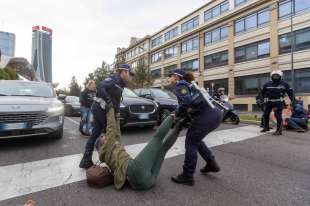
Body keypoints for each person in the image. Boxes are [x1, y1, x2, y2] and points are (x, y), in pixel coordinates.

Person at [96, 103, 185, 190]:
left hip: (145, 183)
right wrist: (110, 109)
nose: (104, 135)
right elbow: (111, 129)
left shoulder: (110, 149)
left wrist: (117, 114)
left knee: (163, 149)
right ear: (101, 144)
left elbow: (117, 133)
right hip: (134, 170)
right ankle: (176, 113)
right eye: (102, 136)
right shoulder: (106, 148)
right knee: (157, 138)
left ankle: (179, 126)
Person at [168, 69, 222, 186]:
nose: (169, 78)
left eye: (170, 76)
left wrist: (177, 114)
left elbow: (187, 103)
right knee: (196, 139)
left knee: (191, 142)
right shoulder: (191, 85)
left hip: (206, 116)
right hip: (215, 114)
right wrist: (180, 116)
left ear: (176, 77)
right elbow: (192, 105)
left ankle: (187, 175)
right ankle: (211, 163)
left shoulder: (180, 85)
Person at [79, 64, 135, 169]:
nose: (131, 76)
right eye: (130, 74)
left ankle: (86, 160)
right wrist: (108, 101)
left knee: (95, 134)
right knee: (111, 133)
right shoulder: (115, 79)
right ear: (123, 72)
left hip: (101, 110)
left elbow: (117, 101)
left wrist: (117, 113)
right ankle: (111, 159)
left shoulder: (121, 84)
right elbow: (100, 87)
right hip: (99, 108)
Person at [261, 70, 295, 136]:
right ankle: (266, 127)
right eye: (274, 75)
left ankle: (279, 130)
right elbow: (262, 92)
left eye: (277, 76)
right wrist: (261, 99)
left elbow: (291, 93)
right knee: (265, 114)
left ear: (280, 76)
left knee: (277, 115)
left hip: (278, 102)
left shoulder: (285, 84)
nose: (275, 77)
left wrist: (293, 101)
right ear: (271, 76)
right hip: (269, 101)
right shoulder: (267, 84)